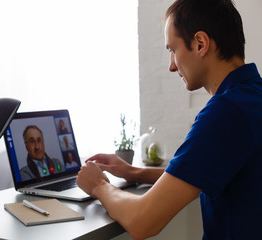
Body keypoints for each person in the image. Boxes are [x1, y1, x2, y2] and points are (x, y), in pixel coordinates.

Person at [76, 0, 262, 239]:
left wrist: (99, 186)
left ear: (200, 43)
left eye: (173, 50)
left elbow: (142, 221)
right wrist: (133, 173)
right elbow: (199, 173)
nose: (172, 66)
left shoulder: (226, 112)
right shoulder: (252, 96)